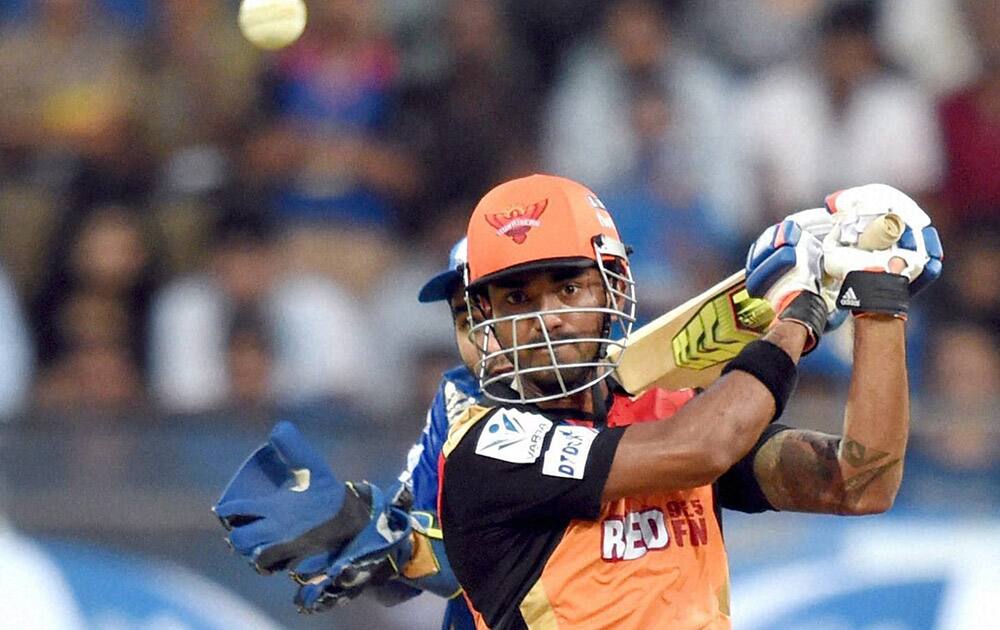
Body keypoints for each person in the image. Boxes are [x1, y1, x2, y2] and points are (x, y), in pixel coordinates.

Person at [437, 174, 941, 628]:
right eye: (517, 299)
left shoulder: (673, 413)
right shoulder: (486, 448)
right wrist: (797, 316)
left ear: (613, 288)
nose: (548, 317)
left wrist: (879, 303)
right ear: (487, 317)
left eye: (569, 288)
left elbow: (860, 483)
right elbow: (704, 448)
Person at [214, 237, 482, 629]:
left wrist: (401, 546)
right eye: (467, 317)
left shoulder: (600, 405)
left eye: (512, 303)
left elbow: (525, 558)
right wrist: (366, 532)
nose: (484, 334)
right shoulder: (457, 397)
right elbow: (416, 547)